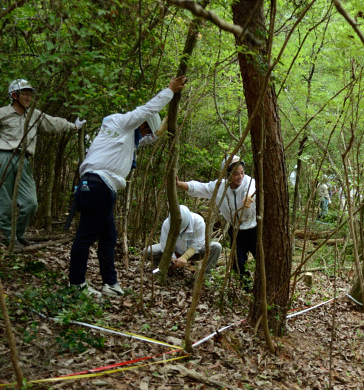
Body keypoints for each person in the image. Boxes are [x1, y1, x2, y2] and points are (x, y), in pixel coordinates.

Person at [69, 75, 187, 297]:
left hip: (97, 186)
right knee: (85, 236)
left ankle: (110, 284)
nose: (144, 135)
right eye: (145, 130)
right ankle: (76, 284)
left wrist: (160, 130)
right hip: (99, 186)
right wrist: (169, 91)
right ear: (141, 124)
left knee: (108, 237)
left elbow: (144, 139)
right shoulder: (124, 123)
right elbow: (145, 111)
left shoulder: (122, 136)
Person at [0, 79, 86, 249]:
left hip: (24, 160)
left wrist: (73, 127)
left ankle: (18, 234)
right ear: (14, 95)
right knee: (6, 202)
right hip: (3, 157)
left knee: (31, 203)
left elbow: (54, 123)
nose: (28, 97)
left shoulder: (34, 115)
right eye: (24, 93)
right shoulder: (3, 113)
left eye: (29, 94)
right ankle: (10, 238)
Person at [176, 155, 256, 284]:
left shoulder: (248, 182)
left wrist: (248, 196)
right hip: (236, 231)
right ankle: (248, 289)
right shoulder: (220, 187)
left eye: (242, 172)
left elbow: (252, 189)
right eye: (235, 174)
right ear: (227, 174)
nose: (240, 176)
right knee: (238, 264)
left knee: (262, 260)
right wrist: (179, 184)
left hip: (254, 229)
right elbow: (200, 188)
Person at [146, 205, 222, 278]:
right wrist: (172, 258)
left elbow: (197, 244)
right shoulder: (167, 224)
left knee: (216, 247)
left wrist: (184, 257)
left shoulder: (198, 221)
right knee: (148, 251)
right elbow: (164, 244)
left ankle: (204, 277)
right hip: (174, 250)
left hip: (194, 252)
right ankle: (163, 269)